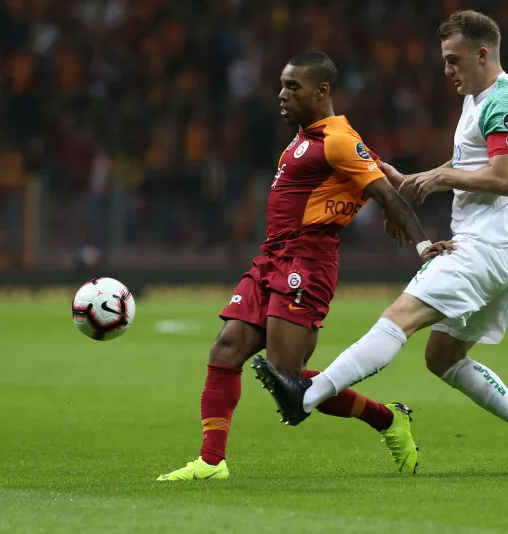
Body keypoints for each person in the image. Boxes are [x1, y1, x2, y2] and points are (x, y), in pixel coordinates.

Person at [252, 11, 508, 473]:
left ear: (483, 54)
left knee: (399, 317)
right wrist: (408, 177)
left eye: (454, 60)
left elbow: (504, 178)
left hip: (487, 247)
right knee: (442, 357)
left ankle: (307, 395)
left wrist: (438, 179)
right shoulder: (479, 99)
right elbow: (474, 163)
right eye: (444, 60)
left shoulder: (504, 103)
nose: (447, 69)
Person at [158, 51, 454, 481]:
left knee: (287, 377)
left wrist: (424, 246)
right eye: (281, 85)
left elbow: (388, 193)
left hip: (307, 261)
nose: (282, 95)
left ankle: (388, 419)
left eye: (292, 87)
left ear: (321, 91)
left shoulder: (338, 139)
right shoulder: (304, 139)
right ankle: (211, 462)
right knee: (226, 349)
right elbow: (383, 178)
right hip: (271, 258)